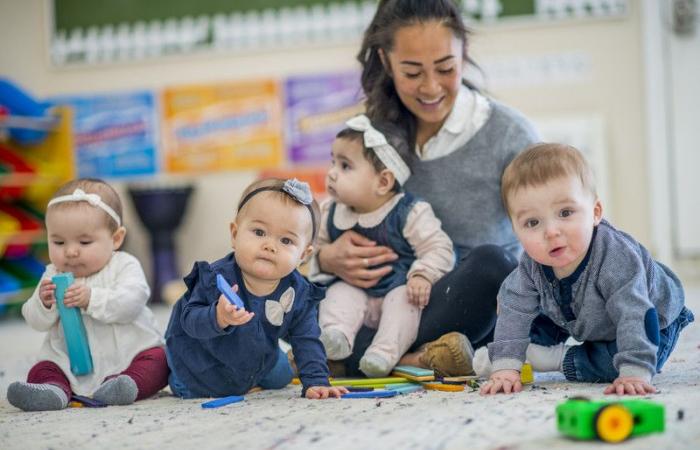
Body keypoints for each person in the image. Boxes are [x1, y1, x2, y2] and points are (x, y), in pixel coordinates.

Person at [311, 0, 539, 376]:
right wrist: (325, 258)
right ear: (385, 61)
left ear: (463, 56)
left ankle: (363, 357)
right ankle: (414, 358)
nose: (431, 87)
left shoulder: (510, 136)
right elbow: (329, 214)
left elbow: (551, 231)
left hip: (465, 303)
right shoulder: (373, 135)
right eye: (412, 72)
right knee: (298, 293)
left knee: (493, 265)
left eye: (446, 68)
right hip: (379, 301)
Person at [477, 143, 694, 396]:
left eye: (565, 212)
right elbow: (514, 308)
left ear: (595, 212)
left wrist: (634, 371)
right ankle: (518, 353)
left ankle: (557, 358)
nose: (551, 232)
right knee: (521, 318)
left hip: (651, 317)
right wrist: (505, 367)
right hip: (577, 311)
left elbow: (634, 313)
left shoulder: (616, 259)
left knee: (622, 363)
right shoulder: (531, 265)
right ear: (516, 230)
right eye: (532, 222)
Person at [165, 178, 348, 399]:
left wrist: (317, 381)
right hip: (203, 363)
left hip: (256, 358)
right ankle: (163, 362)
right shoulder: (216, 279)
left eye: (286, 241)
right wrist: (217, 316)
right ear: (235, 234)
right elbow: (189, 321)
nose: (269, 246)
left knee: (282, 376)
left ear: (303, 255)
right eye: (259, 232)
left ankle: (281, 362)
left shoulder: (299, 292)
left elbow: (306, 337)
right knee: (186, 386)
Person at [312, 114, 455, 377]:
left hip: (397, 289)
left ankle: (383, 353)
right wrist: (324, 256)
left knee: (405, 302)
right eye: (333, 162)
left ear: (383, 182)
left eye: (345, 166)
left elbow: (440, 248)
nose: (331, 173)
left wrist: (422, 273)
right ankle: (336, 337)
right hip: (356, 295)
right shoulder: (330, 211)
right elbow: (309, 250)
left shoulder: (410, 212)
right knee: (339, 294)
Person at [7, 178, 168, 411]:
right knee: (42, 368)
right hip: (69, 362)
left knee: (160, 361)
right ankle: (54, 391)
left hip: (129, 353)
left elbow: (132, 301)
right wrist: (43, 302)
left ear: (116, 239)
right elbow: (35, 321)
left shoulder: (124, 265)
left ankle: (123, 386)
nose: (70, 251)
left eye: (84, 241)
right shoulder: (52, 274)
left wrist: (92, 298)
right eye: (58, 241)